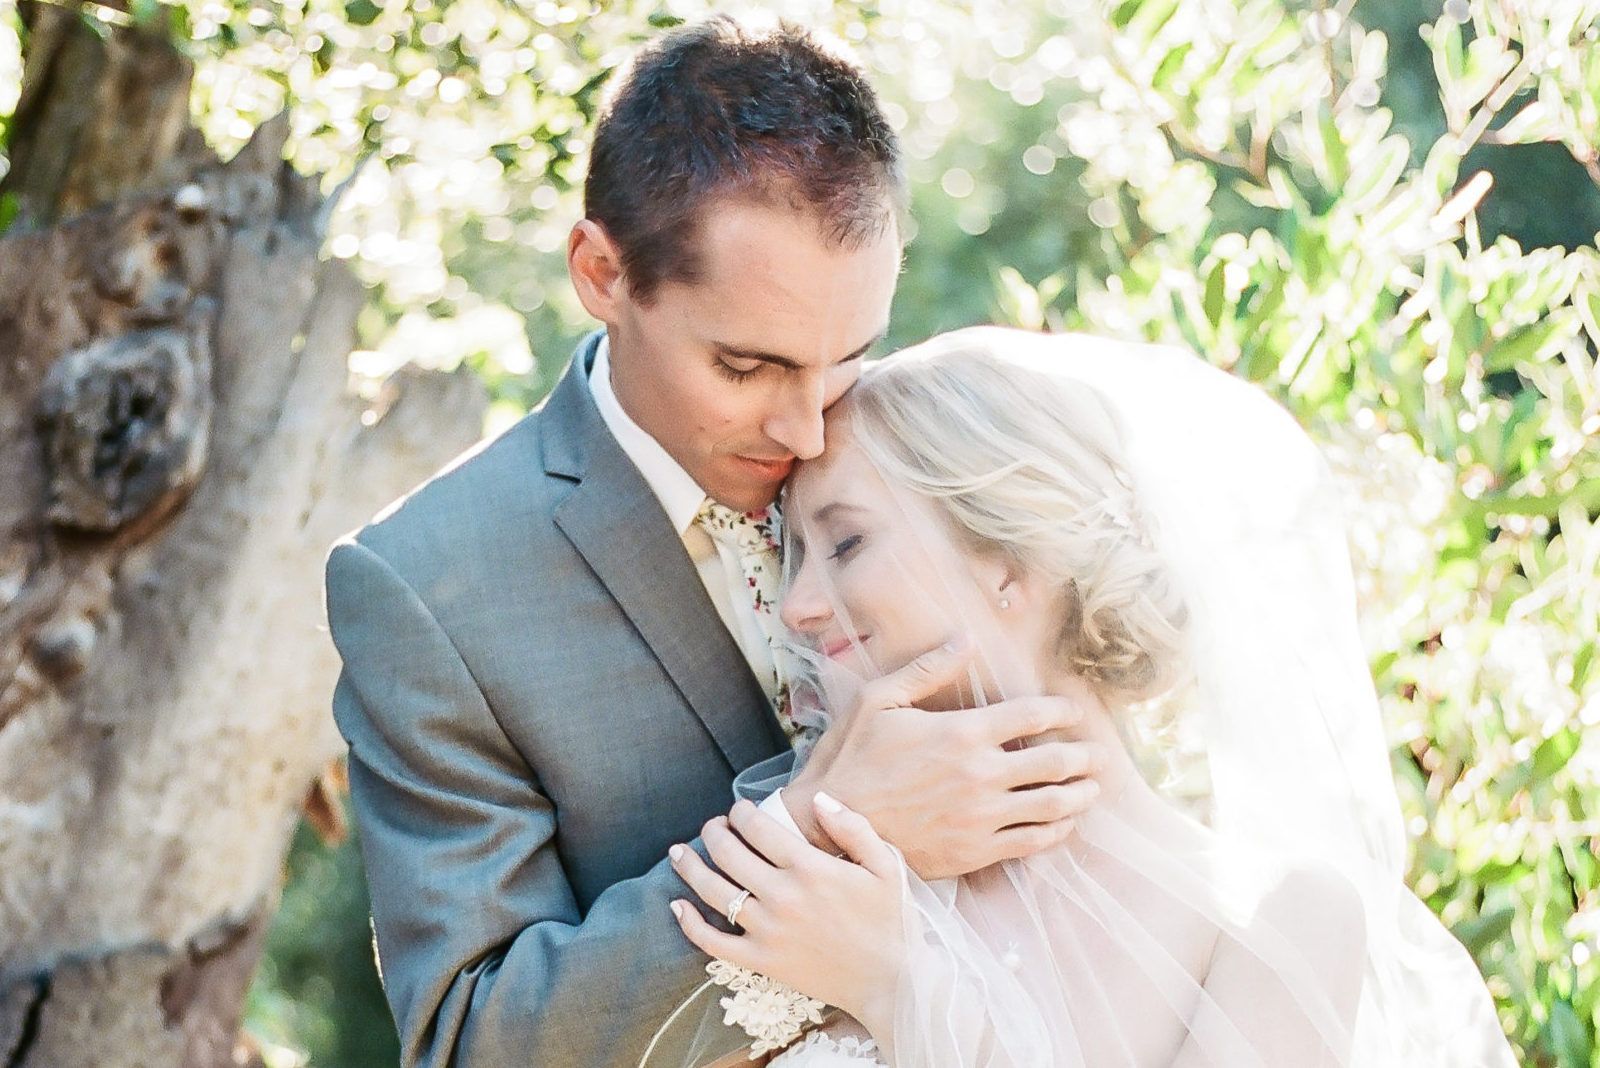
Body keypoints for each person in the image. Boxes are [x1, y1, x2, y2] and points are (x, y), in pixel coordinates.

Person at [323, 23, 1100, 1068]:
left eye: (848, 356)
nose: (808, 429)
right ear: (602, 273)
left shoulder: (929, 459)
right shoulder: (426, 587)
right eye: (745, 367)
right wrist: (820, 824)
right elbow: (475, 1040)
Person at [660, 326, 1518, 1066]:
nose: (799, 606)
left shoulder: (1277, 916)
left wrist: (898, 989)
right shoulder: (829, 874)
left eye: (845, 543)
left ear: (1008, 559)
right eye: (793, 558)